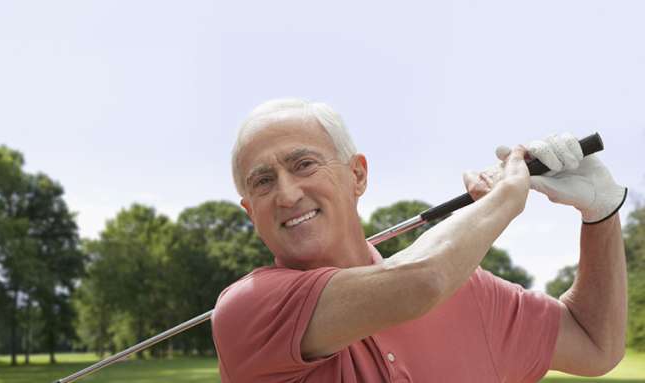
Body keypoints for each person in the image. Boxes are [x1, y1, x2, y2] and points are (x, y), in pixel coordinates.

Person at [211, 98, 628, 382]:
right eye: (263, 182)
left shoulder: (471, 290)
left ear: (357, 175)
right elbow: (419, 283)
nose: (286, 194)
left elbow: (596, 343)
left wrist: (602, 215)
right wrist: (503, 198)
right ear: (251, 212)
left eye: (303, 164)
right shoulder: (246, 310)